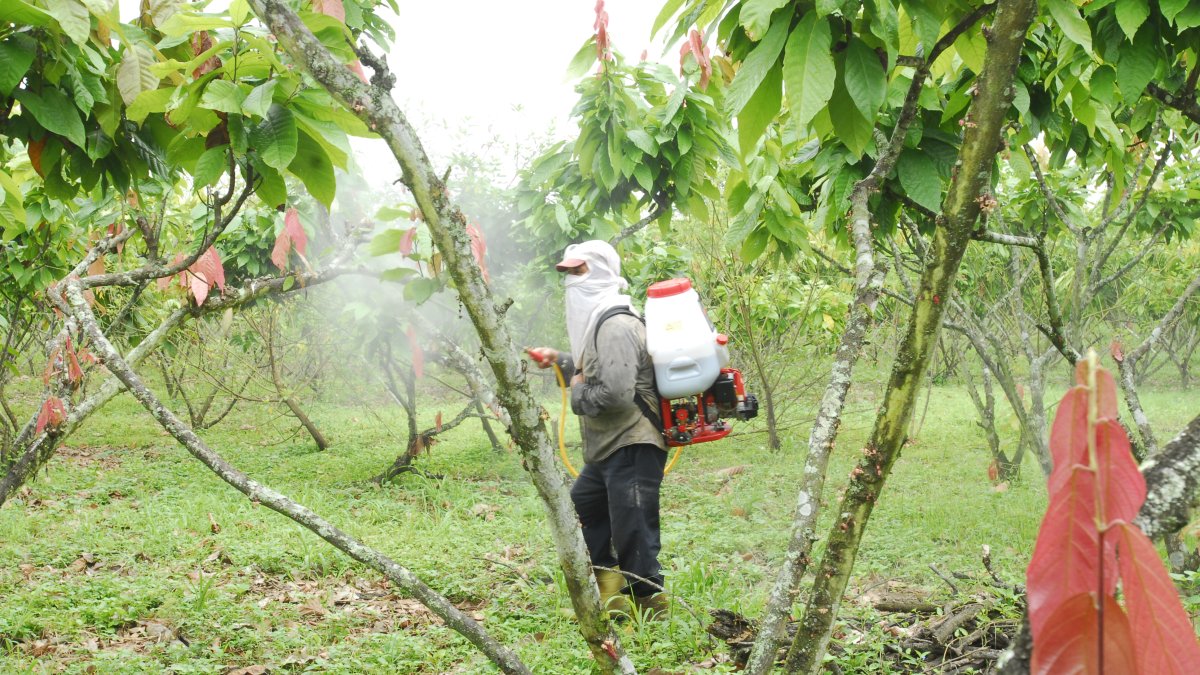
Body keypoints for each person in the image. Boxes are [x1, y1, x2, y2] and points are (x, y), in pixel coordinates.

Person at [527, 239, 668, 617]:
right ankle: (609, 598)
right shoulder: (599, 322)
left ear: (603, 271)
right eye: (568, 273)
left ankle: (652, 614)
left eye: (580, 270)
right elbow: (601, 371)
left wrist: (576, 391)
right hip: (609, 447)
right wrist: (561, 361)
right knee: (583, 511)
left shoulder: (616, 324)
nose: (573, 280)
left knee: (634, 532)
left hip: (633, 443)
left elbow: (616, 394)